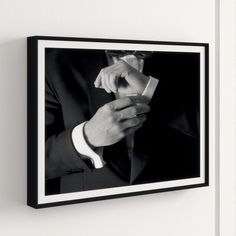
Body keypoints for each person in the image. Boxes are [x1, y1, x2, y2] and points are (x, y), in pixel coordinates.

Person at [45, 48, 200, 195]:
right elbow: (32, 161)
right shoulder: (53, 62)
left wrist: (152, 89)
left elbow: (219, 130)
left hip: (178, 200)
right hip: (84, 210)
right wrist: (87, 137)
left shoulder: (194, 55)